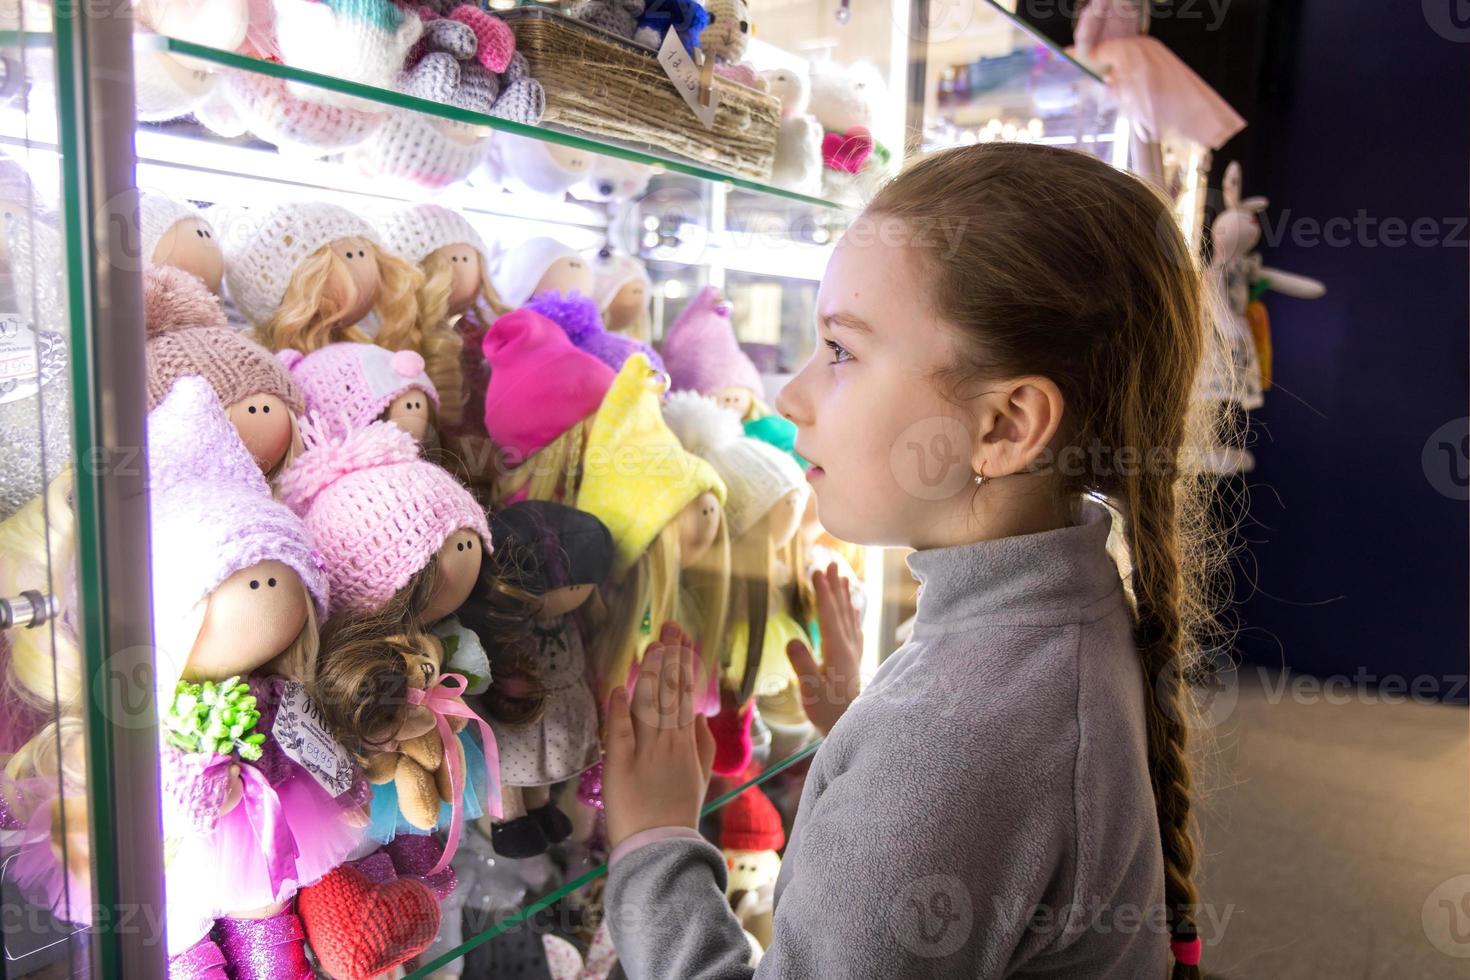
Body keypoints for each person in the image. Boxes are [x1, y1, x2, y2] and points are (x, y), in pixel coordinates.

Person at [600, 141, 1232, 980]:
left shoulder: (951, 745)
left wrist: (655, 843)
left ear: (1004, 426)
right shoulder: (1065, 612)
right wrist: (860, 738)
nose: (790, 394)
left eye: (842, 350)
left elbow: (956, 775)